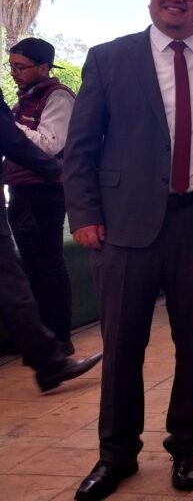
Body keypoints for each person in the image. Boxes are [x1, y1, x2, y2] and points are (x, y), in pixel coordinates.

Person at [64, 0, 193, 501]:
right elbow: (81, 146)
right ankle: (115, 455)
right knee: (122, 345)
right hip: (122, 226)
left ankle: (187, 446)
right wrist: (84, 213)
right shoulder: (108, 58)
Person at [0, 96, 101, 392]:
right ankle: (49, 363)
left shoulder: (56, 96)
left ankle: (49, 360)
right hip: (34, 189)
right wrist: (57, 171)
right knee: (12, 287)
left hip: (37, 196)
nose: (15, 75)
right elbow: (11, 139)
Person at [5, 37, 76, 353]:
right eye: (12, 67)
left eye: (21, 67)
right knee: (31, 265)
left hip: (45, 193)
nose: (14, 74)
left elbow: (50, 144)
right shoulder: (25, 99)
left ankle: (59, 338)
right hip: (21, 191)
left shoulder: (58, 97)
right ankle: (39, 339)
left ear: (44, 67)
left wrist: (9, 128)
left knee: (48, 265)